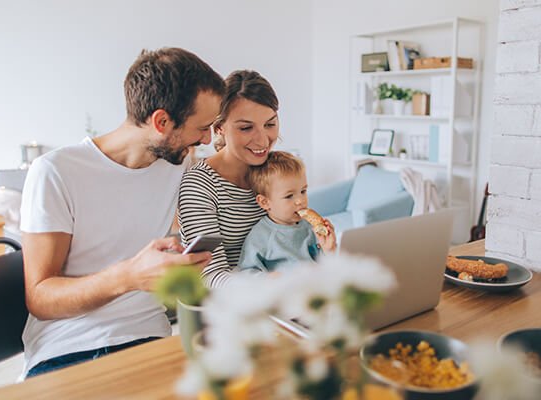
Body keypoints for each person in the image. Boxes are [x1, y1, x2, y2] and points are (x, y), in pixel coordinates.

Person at [19, 47, 225, 377]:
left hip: (150, 341)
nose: (207, 138)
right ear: (162, 122)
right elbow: (40, 298)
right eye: (202, 127)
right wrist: (128, 276)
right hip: (69, 349)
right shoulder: (56, 171)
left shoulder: (179, 165)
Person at [178, 70, 279, 288]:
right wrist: (272, 284)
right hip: (230, 307)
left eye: (270, 124)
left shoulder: (276, 171)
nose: (263, 140)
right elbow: (210, 275)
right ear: (219, 128)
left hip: (283, 299)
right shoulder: (199, 185)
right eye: (246, 128)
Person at [236, 151, 337, 274]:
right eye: (289, 196)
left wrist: (328, 250)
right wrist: (269, 279)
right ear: (265, 202)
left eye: (303, 191)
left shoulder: (309, 227)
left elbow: (324, 265)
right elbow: (246, 272)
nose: (300, 201)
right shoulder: (261, 236)